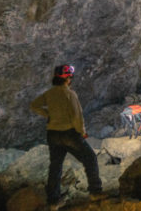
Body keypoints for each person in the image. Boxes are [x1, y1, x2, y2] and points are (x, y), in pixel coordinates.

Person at [30, 64, 102, 210]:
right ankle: (95, 192)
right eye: (70, 77)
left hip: (52, 134)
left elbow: (34, 105)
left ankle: (53, 202)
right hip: (69, 133)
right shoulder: (70, 94)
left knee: (55, 166)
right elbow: (77, 116)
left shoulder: (49, 94)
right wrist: (82, 132)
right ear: (67, 79)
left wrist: (48, 115)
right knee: (90, 158)